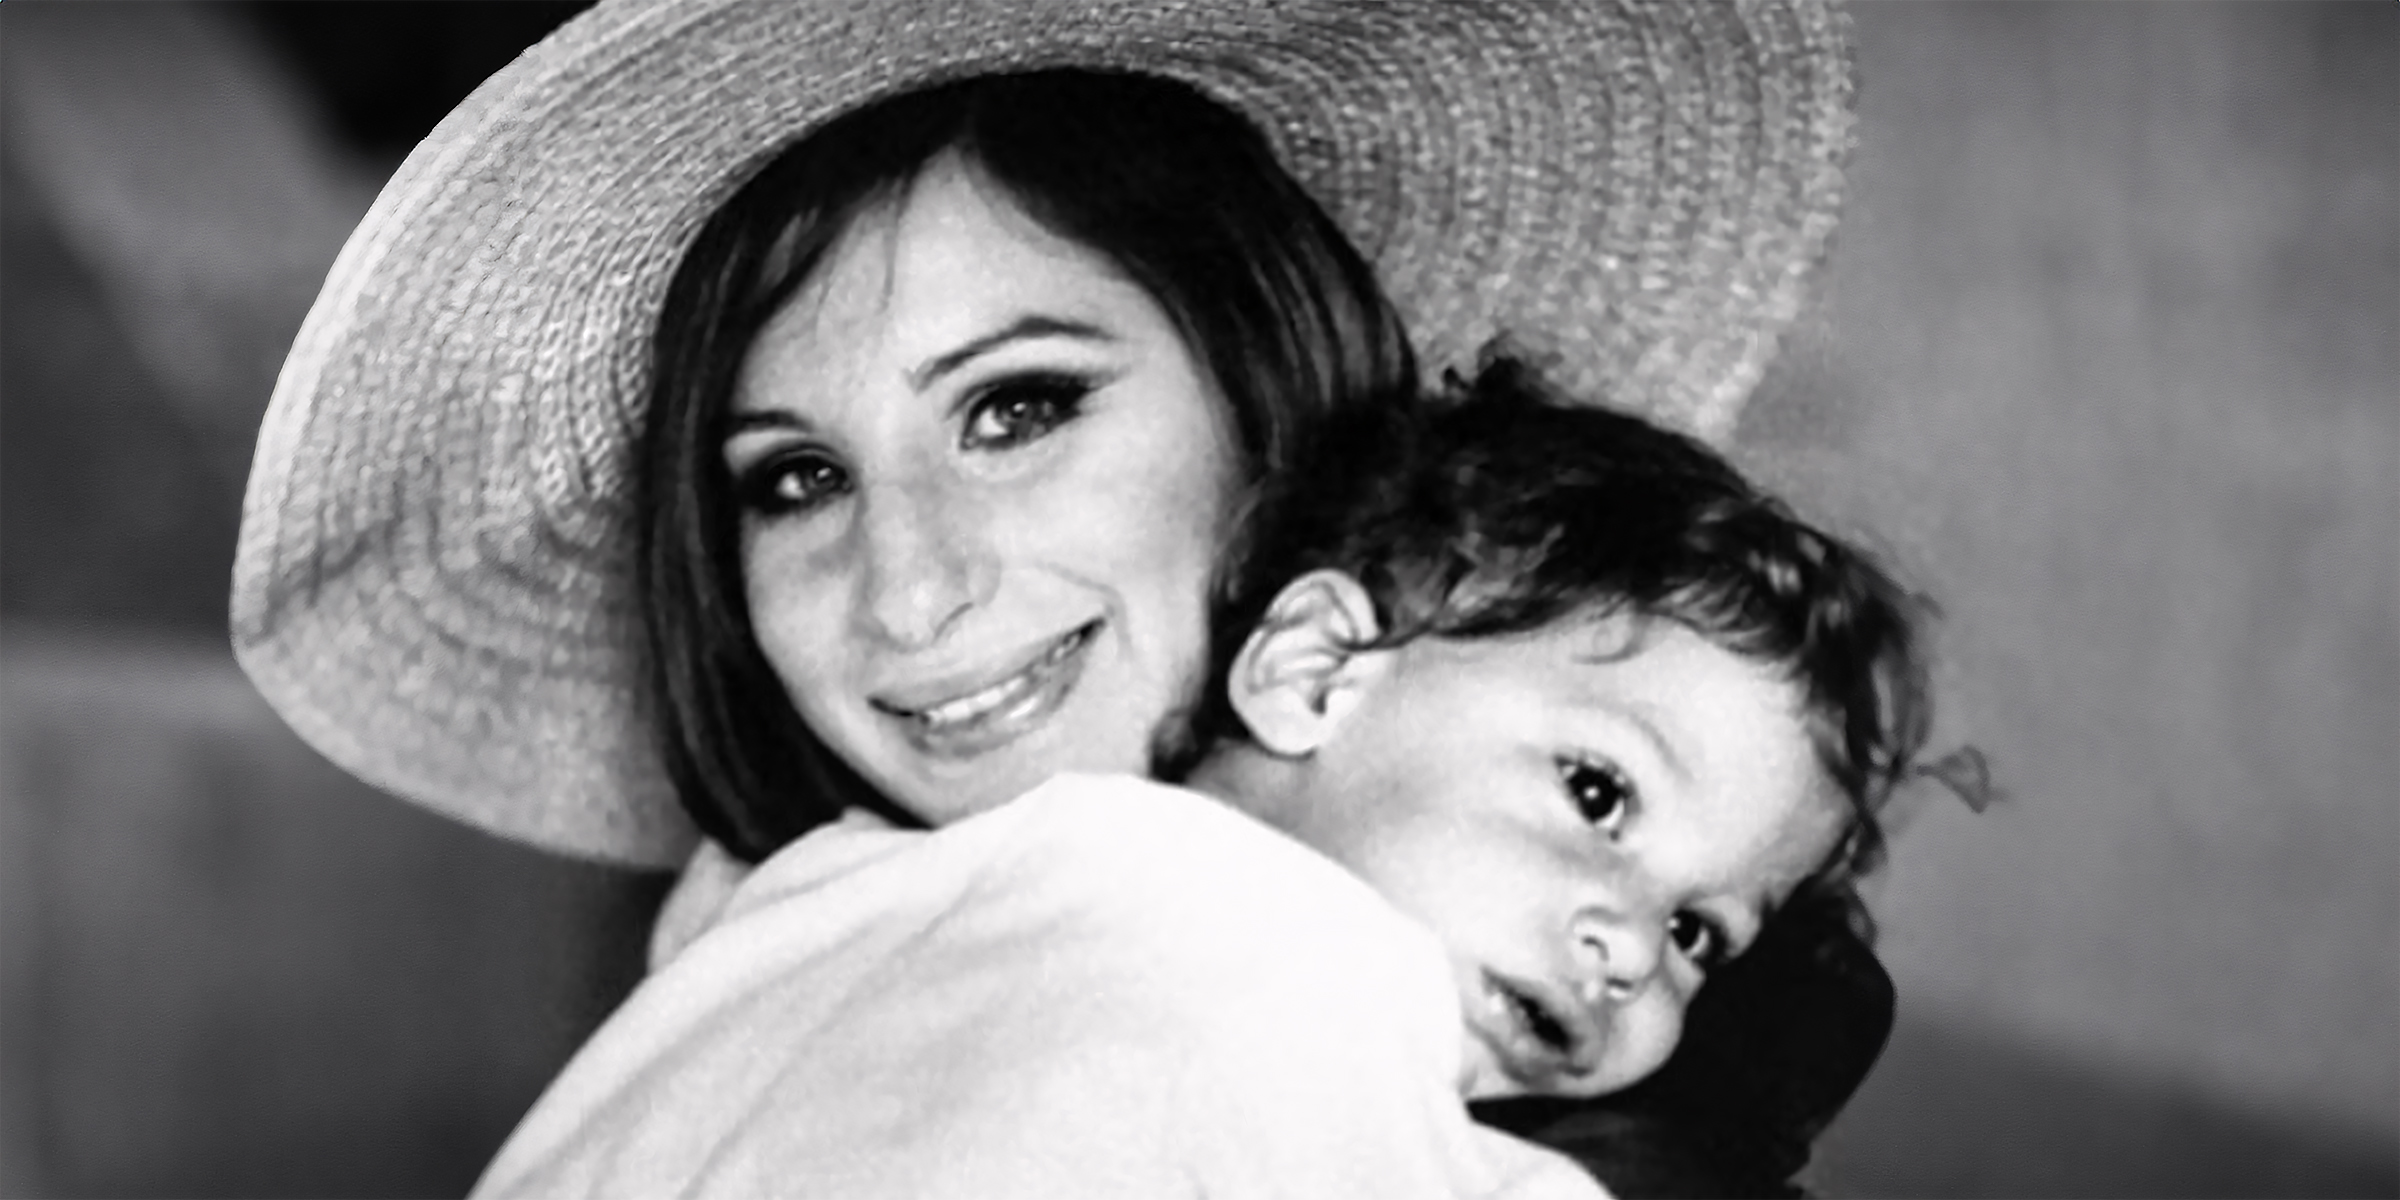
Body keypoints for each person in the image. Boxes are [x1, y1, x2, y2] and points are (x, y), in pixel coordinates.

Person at [228, 1, 1875, 1193]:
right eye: (794, 479)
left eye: (1017, 408)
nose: (915, 592)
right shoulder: (813, 941)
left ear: (1266, 393)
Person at [469, 357, 1939, 1198]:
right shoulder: (1304, 975)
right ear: (1312, 675)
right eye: (1600, 797)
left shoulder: (822, 879)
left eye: (1703, 935)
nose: (1632, 947)